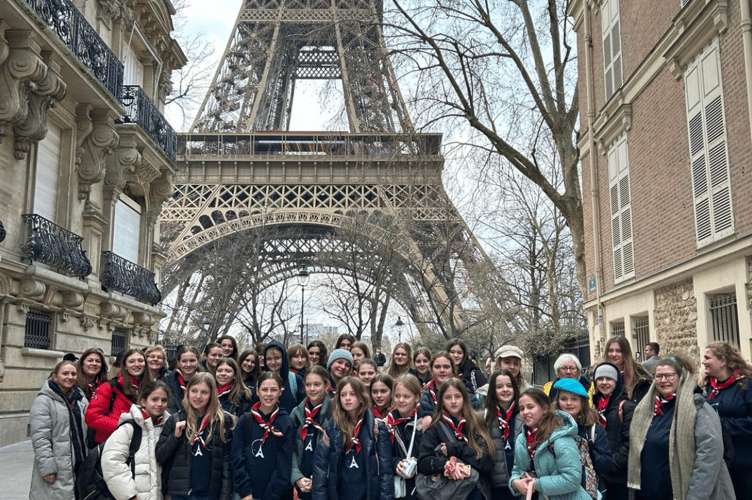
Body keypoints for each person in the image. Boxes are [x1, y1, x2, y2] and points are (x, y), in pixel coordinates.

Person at [627, 355, 735, 500]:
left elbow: (708, 459)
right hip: (649, 493)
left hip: (683, 494)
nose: (663, 380)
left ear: (681, 377)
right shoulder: (647, 409)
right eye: (658, 376)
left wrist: (695, 497)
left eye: (669, 375)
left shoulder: (699, 409)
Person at [312, 376, 393, 500]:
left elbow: (385, 471)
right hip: (340, 494)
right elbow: (320, 467)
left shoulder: (377, 427)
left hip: (368, 494)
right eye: (343, 395)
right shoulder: (332, 428)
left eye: (352, 394)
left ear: (361, 397)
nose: (347, 398)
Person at [156, 372, 233, 500]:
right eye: (194, 391)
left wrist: (225, 495)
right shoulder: (176, 419)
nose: (198, 396)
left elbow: (226, 463)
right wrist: (175, 437)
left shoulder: (221, 421)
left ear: (211, 395)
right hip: (181, 494)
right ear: (187, 392)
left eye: (204, 392)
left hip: (209, 494)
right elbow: (160, 456)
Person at [417, 377, 495, 500]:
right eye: (448, 397)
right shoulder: (435, 427)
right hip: (450, 493)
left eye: (457, 397)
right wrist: (445, 465)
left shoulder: (476, 423)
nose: (453, 401)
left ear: (464, 398)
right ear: (441, 400)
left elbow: (486, 463)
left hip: (476, 491)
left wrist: (458, 448)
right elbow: (423, 462)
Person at [509, 388, 590, 500]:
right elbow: (517, 470)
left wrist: (536, 484)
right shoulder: (521, 439)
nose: (525, 412)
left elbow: (572, 479)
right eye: (522, 408)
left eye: (530, 407)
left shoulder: (560, 437)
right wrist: (515, 482)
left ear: (544, 409)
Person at [102, 380, 170, 500]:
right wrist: (129, 496)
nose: (160, 404)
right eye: (154, 399)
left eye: (163, 400)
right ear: (143, 401)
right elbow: (112, 462)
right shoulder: (129, 428)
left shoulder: (168, 427)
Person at [230, 372, 294, 500]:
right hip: (245, 493)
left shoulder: (286, 423)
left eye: (273, 390)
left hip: (273, 495)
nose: (268, 394)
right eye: (264, 389)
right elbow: (236, 457)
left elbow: (284, 465)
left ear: (280, 392)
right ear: (257, 391)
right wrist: (245, 491)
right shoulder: (245, 420)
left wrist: (271, 495)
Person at [30, 360, 87, 500]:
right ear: (55, 376)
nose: (70, 377)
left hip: (79, 462)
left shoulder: (80, 398)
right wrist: (47, 468)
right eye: (65, 373)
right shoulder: (44, 401)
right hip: (58, 465)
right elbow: (40, 438)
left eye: (73, 374)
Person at [702, 341, 752, 500]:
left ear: (722, 360)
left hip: (744, 464)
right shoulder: (708, 388)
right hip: (719, 464)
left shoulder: (746, 385)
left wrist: (721, 426)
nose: (703, 361)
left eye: (707, 357)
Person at [551, 378, 610, 499]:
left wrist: (587, 453)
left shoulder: (593, 429)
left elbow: (606, 463)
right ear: (557, 402)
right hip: (557, 491)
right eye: (564, 399)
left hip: (589, 492)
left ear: (582, 402)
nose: (568, 403)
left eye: (574, 399)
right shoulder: (550, 427)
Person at [592, 361, 634, 500]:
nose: (604, 382)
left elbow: (630, 443)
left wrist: (610, 465)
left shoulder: (626, 407)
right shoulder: (593, 408)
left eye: (609, 379)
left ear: (616, 382)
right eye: (600, 379)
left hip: (618, 478)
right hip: (599, 476)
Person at [86, 348, 146, 444]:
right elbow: (92, 417)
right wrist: (123, 427)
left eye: (140, 361)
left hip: (139, 444)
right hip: (111, 443)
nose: (137, 364)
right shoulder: (108, 387)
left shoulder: (150, 387)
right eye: (131, 361)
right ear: (125, 366)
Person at [291, 366, 332, 500]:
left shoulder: (335, 412)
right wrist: (297, 477)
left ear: (326, 385)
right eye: (308, 385)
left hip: (326, 483)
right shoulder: (297, 413)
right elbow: (289, 449)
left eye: (317, 384)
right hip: (301, 482)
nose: (312, 389)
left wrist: (321, 477)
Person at [483, 370, 523, 500]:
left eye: (509, 386)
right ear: (492, 390)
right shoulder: (484, 417)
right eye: (499, 387)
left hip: (521, 482)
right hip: (495, 485)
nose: (505, 390)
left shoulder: (524, 414)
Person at [387, 375, 423, 500]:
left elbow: (431, 453)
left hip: (421, 486)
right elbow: (383, 455)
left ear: (417, 397)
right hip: (398, 488)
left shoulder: (425, 421)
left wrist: (417, 462)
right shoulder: (387, 423)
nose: (401, 400)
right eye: (397, 396)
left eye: (406, 397)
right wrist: (395, 463)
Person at [603, 336, 651, 404]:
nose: (614, 354)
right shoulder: (597, 374)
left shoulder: (640, 377)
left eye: (619, 351)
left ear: (626, 353)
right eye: (610, 350)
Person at [263, 340, 305, 414]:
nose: (273, 362)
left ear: (284, 358)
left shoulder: (296, 380)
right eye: (269, 359)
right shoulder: (260, 381)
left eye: (277, 358)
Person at [418, 352, 456, 430]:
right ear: (431, 371)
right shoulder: (425, 397)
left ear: (453, 371)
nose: (442, 370)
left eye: (446, 367)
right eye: (437, 367)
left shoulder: (465, 394)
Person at [164, 346, 201, 416]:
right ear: (178, 362)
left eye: (192, 361)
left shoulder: (205, 381)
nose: (188, 364)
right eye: (184, 361)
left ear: (198, 361)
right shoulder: (168, 381)